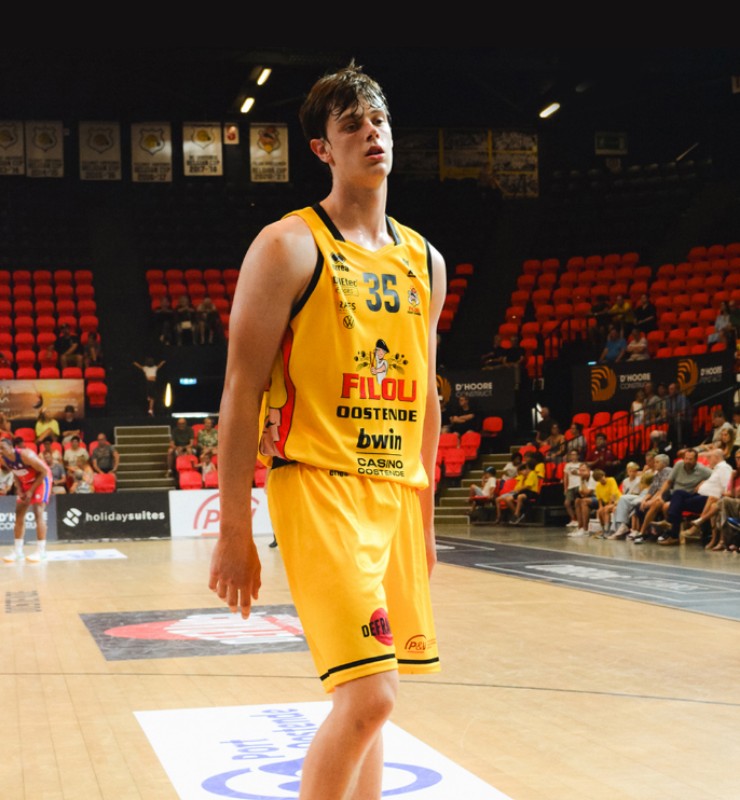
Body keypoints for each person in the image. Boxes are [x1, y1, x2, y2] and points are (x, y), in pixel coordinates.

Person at [207, 61, 443, 800]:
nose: (372, 134)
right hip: (318, 484)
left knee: (369, 696)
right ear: (322, 148)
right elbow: (241, 391)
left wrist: (425, 520)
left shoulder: (425, 260)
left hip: (395, 495)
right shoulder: (288, 246)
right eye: (352, 125)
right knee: (372, 697)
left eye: (379, 121)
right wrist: (235, 529)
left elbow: (426, 397)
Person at [659, 447, 731, 546]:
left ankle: (671, 526)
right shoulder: (717, 468)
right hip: (697, 496)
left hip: (708, 499)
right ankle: (671, 524)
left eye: (709, 457)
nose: (707, 460)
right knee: (678, 493)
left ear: (716, 457)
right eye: (686, 459)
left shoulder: (724, 468)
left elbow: (726, 488)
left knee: (677, 503)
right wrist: (703, 482)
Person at [0, 436, 52, 562]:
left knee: (38, 511)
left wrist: (31, 491)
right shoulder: (3, 458)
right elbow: (15, 473)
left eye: (2, 448)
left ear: (11, 447)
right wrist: (19, 489)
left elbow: (44, 471)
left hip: (41, 480)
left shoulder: (26, 455)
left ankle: (41, 552)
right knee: (19, 513)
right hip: (25, 482)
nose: (0, 450)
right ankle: (18, 552)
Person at [569, 462, 598, 537]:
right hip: (591, 497)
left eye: (583, 470)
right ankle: (580, 528)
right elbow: (581, 493)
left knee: (584, 501)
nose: (581, 472)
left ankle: (585, 530)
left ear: (588, 470)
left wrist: (582, 482)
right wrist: (582, 481)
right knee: (577, 501)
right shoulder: (582, 477)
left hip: (600, 498)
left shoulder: (593, 476)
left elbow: (587, 493)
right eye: (580, 470)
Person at [592, 468, 622, 537]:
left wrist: (609, 504)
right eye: (599, 479)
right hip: (607, 503)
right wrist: (600, 507)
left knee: (606, 509)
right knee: (600, 511)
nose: (602, 479)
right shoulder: (598, 486)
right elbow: (599, 498)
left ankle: (607, 530)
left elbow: (613, 494)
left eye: (602, 476)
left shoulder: (611, 480)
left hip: (617, 501)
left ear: (604, 475)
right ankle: (603, 529)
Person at [665, 381, 692, 452]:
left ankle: (680, 445)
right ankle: (668, 447)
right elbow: (667, 412)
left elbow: (683, 412)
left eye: (672, 389)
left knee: (678, 419)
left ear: (676, 390)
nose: (670, 391)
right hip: (672, 419)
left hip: (684, 420)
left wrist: (672, 414)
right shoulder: (668, 399)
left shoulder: (682, 398)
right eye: (669, 389)